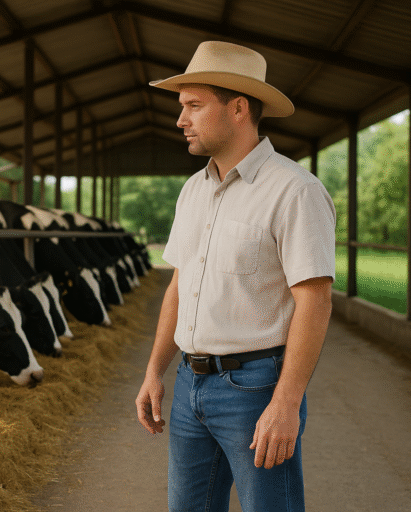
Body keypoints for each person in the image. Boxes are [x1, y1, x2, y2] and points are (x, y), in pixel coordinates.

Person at [135, 41, 335, 511]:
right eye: (181, 107)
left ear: (239, 108)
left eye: (193, 106)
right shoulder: (193, 190)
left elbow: (315, 300)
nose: (180, 119)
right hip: (189, 383)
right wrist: (154, 370)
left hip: (256, 388)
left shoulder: (294, 191)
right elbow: (180, 286)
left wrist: (286, 403)